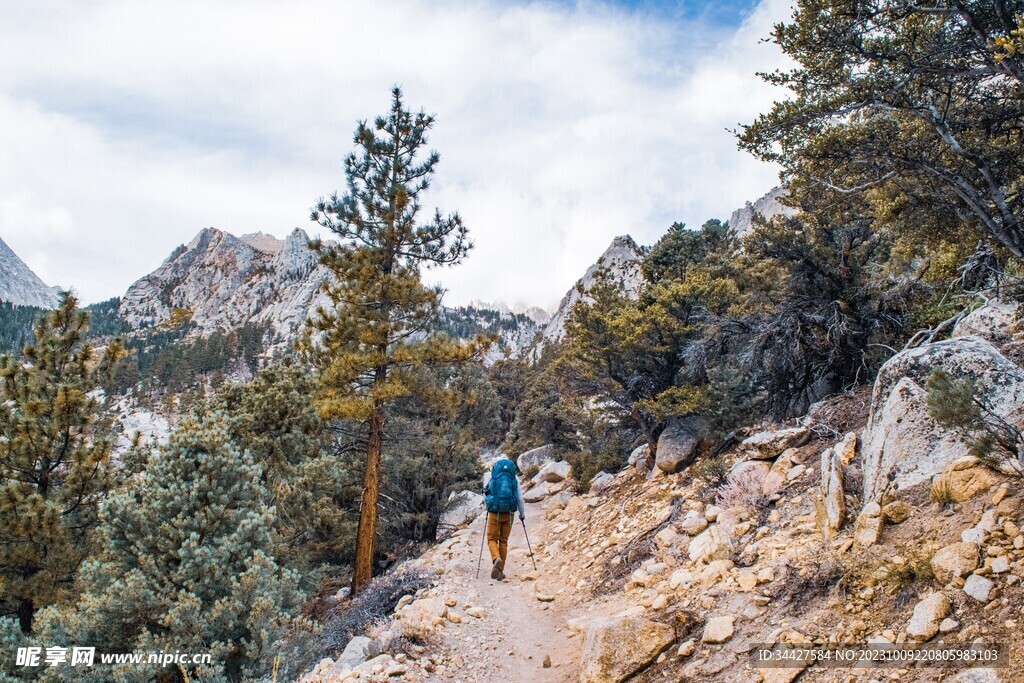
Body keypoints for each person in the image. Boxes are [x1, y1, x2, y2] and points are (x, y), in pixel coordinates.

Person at [483, 455, 526, 581]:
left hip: (494, 512)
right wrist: (522, 514)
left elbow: (485, 494)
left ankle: (496, 558)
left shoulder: (490, 475)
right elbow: (519, 498)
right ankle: (500, 571)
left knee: (491, 539)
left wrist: (488, 507)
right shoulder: (513, 477)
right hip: (509, 513)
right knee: (503, 541)